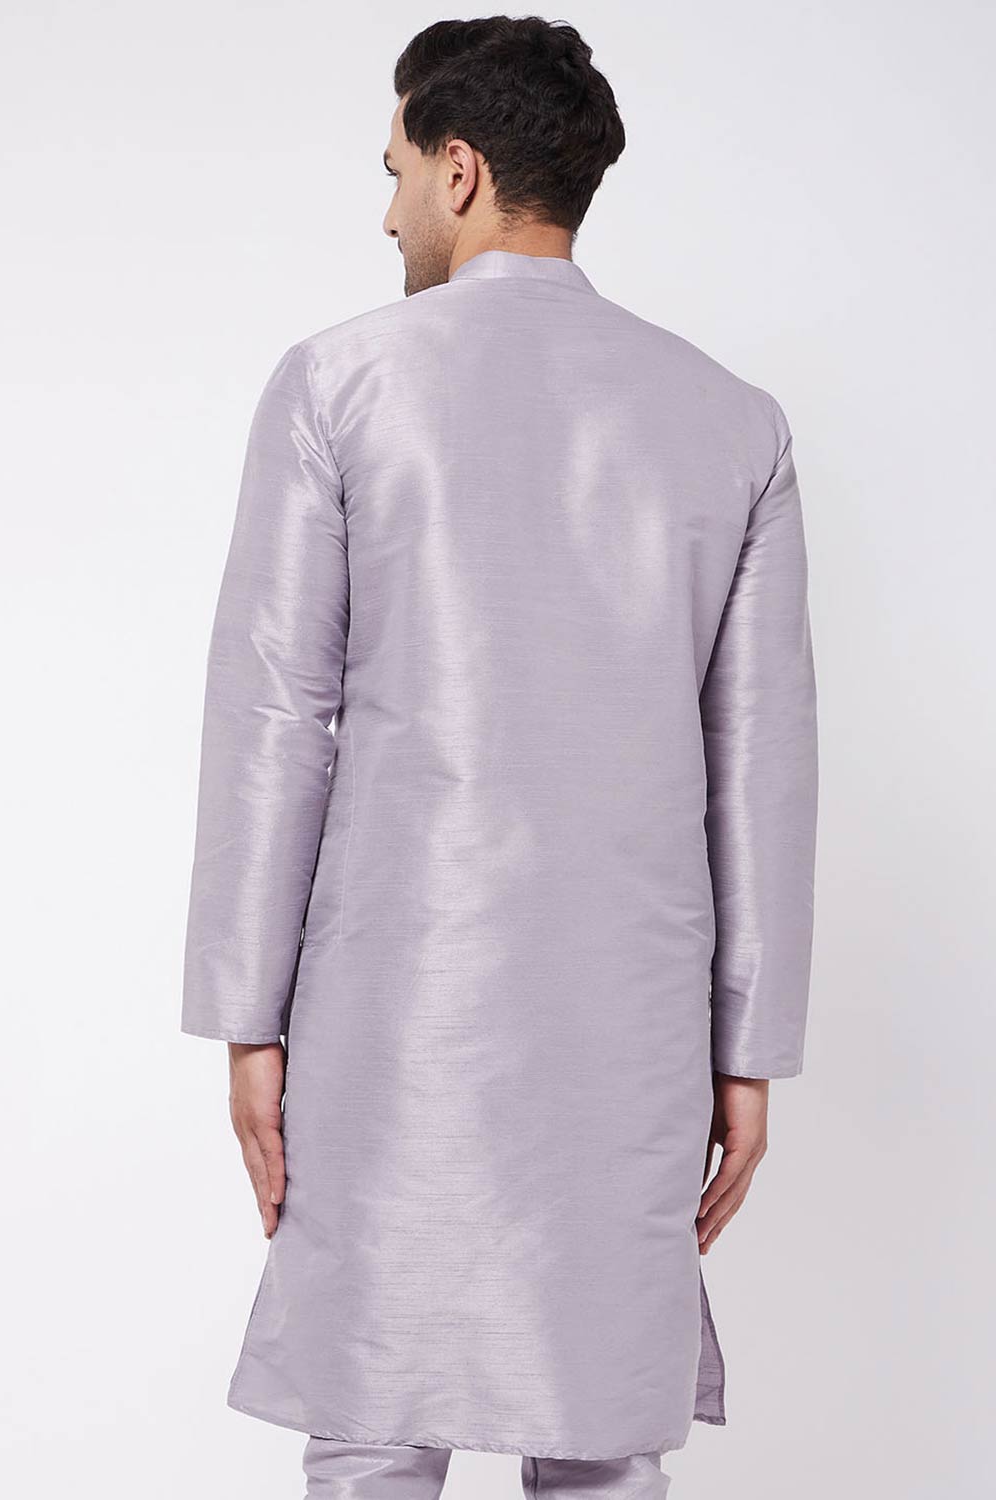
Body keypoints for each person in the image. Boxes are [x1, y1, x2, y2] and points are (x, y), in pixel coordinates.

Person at [180, 15, 818, 1499]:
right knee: (599, 1432)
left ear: (459, 171)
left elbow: (276, 717)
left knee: (372, 1420)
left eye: (395, 170)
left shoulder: (341, 382)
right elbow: (761, 765)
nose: (387, 209)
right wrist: (747, 1047)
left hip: (397, 996)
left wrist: (247, 1019)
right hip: (632, 1011)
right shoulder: (731, 422)